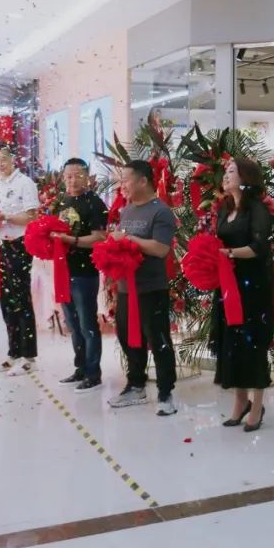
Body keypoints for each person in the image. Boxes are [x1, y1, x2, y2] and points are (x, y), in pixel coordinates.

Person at [107, 159, 179, 416]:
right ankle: (136, 385)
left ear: (143, 181)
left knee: (158, 340)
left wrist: (128, 239)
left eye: (126, 180)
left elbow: (160, 249)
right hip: (127, 288)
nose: (122, 185)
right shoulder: (127, 210)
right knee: (128, 337)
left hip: (151, 289)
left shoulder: (161, 212)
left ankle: (165, 392)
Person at [214, 158, 274, 432]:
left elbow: (259, 247)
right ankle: (240, 402)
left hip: (253, 287)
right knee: (233, 343)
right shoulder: (224, 209)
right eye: (225, 171)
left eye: (231, 171)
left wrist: (228, 254)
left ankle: (258, 405)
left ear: (246, 177)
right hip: (228, 284)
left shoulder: (257, 209)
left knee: (253, 344)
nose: (225, 176)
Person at [53, 158, 108, 393]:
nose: (72, 180)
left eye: (77, 175)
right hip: (63, 270)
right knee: (73, 324)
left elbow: (99, 237)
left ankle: (93, 373)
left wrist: (71, 240)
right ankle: (81, 368)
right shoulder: (61, 202)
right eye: (68, 176)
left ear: (87, 177)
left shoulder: (95, 203)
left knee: (87, 325)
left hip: (85, 272)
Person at [0, 142, 41, 377]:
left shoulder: (24, 183)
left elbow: (32, 216)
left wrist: (6, 217)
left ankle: (29, 357)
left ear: (13, 160)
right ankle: (14, 353)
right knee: (7, 301)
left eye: (4, 160)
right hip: (1, 245)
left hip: (20, 246)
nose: (0, 164)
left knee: (21, 300)